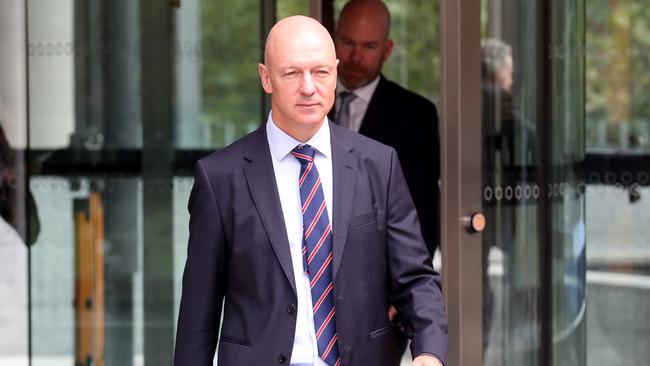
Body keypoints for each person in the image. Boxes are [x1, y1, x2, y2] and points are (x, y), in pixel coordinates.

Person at [174, 15, 447, 366]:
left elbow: (415, 279)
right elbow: (199, 309)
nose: (308, 87)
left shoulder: (379, 164)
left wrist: (429, 350)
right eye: (291, 73)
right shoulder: (220, 178)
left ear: (334, 72)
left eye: (320, 72)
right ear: (266, 78)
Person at [333, 1, 441, 361]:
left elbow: (421, 215)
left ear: (388, 49)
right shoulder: (307, 102)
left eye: (369, 46)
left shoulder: (415, 115)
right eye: (347, 43)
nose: (355, 57)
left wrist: (398, 299)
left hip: (379, 308)